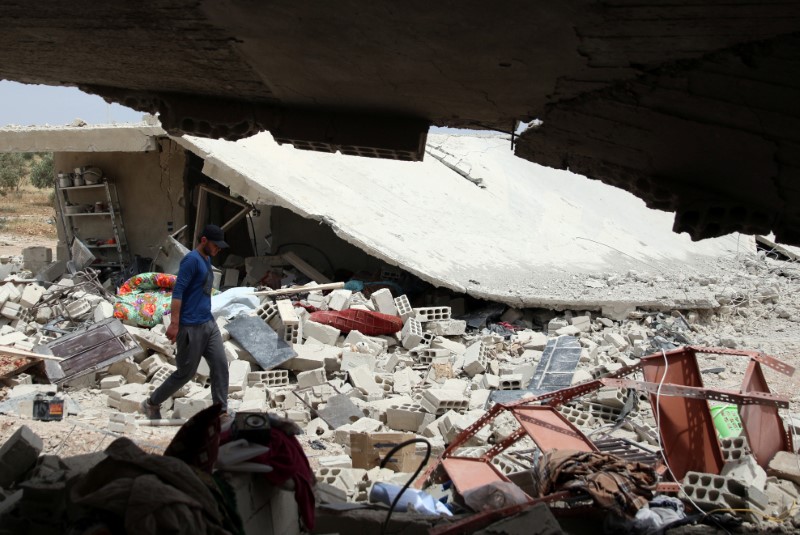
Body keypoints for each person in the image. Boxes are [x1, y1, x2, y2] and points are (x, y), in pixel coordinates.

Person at [140, 224, 230, 420]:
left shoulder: (207, 259)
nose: (218, 249)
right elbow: (178, 292)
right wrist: (174, 324)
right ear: (204, 241)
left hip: (208, 323)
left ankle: (221, 412)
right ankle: (152, 403)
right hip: (190, 327)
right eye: (216, 245)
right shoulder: (191, 260)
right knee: (185, 374)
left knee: (220, 365)